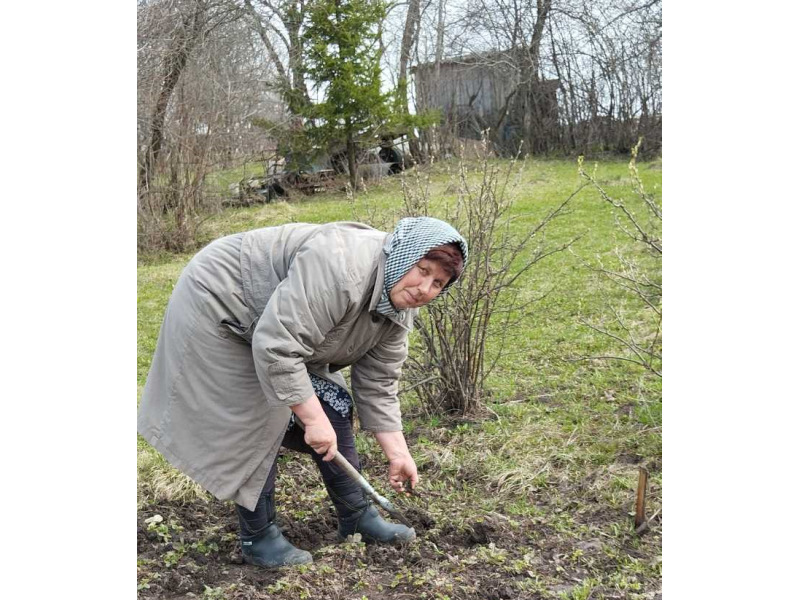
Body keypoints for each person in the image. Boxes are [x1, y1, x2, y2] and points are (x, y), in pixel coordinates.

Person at [137, 217, 468, 568]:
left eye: (438, 283)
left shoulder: (397, 309)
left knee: (335, 405)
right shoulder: (342, 270)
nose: (424, 288)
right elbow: (278, 348)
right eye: (423, 269)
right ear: (404, 256)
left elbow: (380, 384)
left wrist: (398, 453)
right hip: (223, 301)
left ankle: (357, 516)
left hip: (279, 326)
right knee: (263, 415)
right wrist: (310, 418)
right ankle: (259, 536)